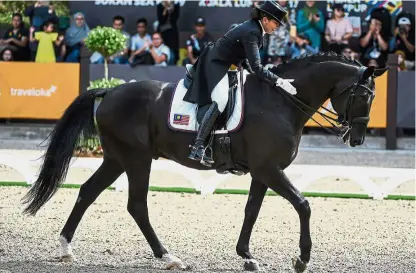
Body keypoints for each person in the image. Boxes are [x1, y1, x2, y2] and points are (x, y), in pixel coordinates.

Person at [183, 1, 296, 165]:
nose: (277, 27)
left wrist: (254, 74)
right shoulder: (252, 32)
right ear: (265, 19)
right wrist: (278, 81)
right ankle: (198, 145)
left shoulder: (256, 30)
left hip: (229, 64)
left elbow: (246, 59)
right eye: (276, 23)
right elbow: (257, 67)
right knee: (221, 100)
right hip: (215, 63)